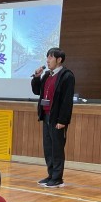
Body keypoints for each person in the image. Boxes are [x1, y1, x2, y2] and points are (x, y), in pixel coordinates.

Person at [31, 47, 75, 188]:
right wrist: (36, 77)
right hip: (46, 116)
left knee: (57, 148)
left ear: (59, 59)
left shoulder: (66, 76)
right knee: (48, 147)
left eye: (50, 57)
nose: (47, 60)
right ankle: (51, 175)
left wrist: (63, 120)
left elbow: (67, 101)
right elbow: (37, 91)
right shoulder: (46, 76)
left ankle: (57, 178)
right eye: (47, 57)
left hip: (57, 118)